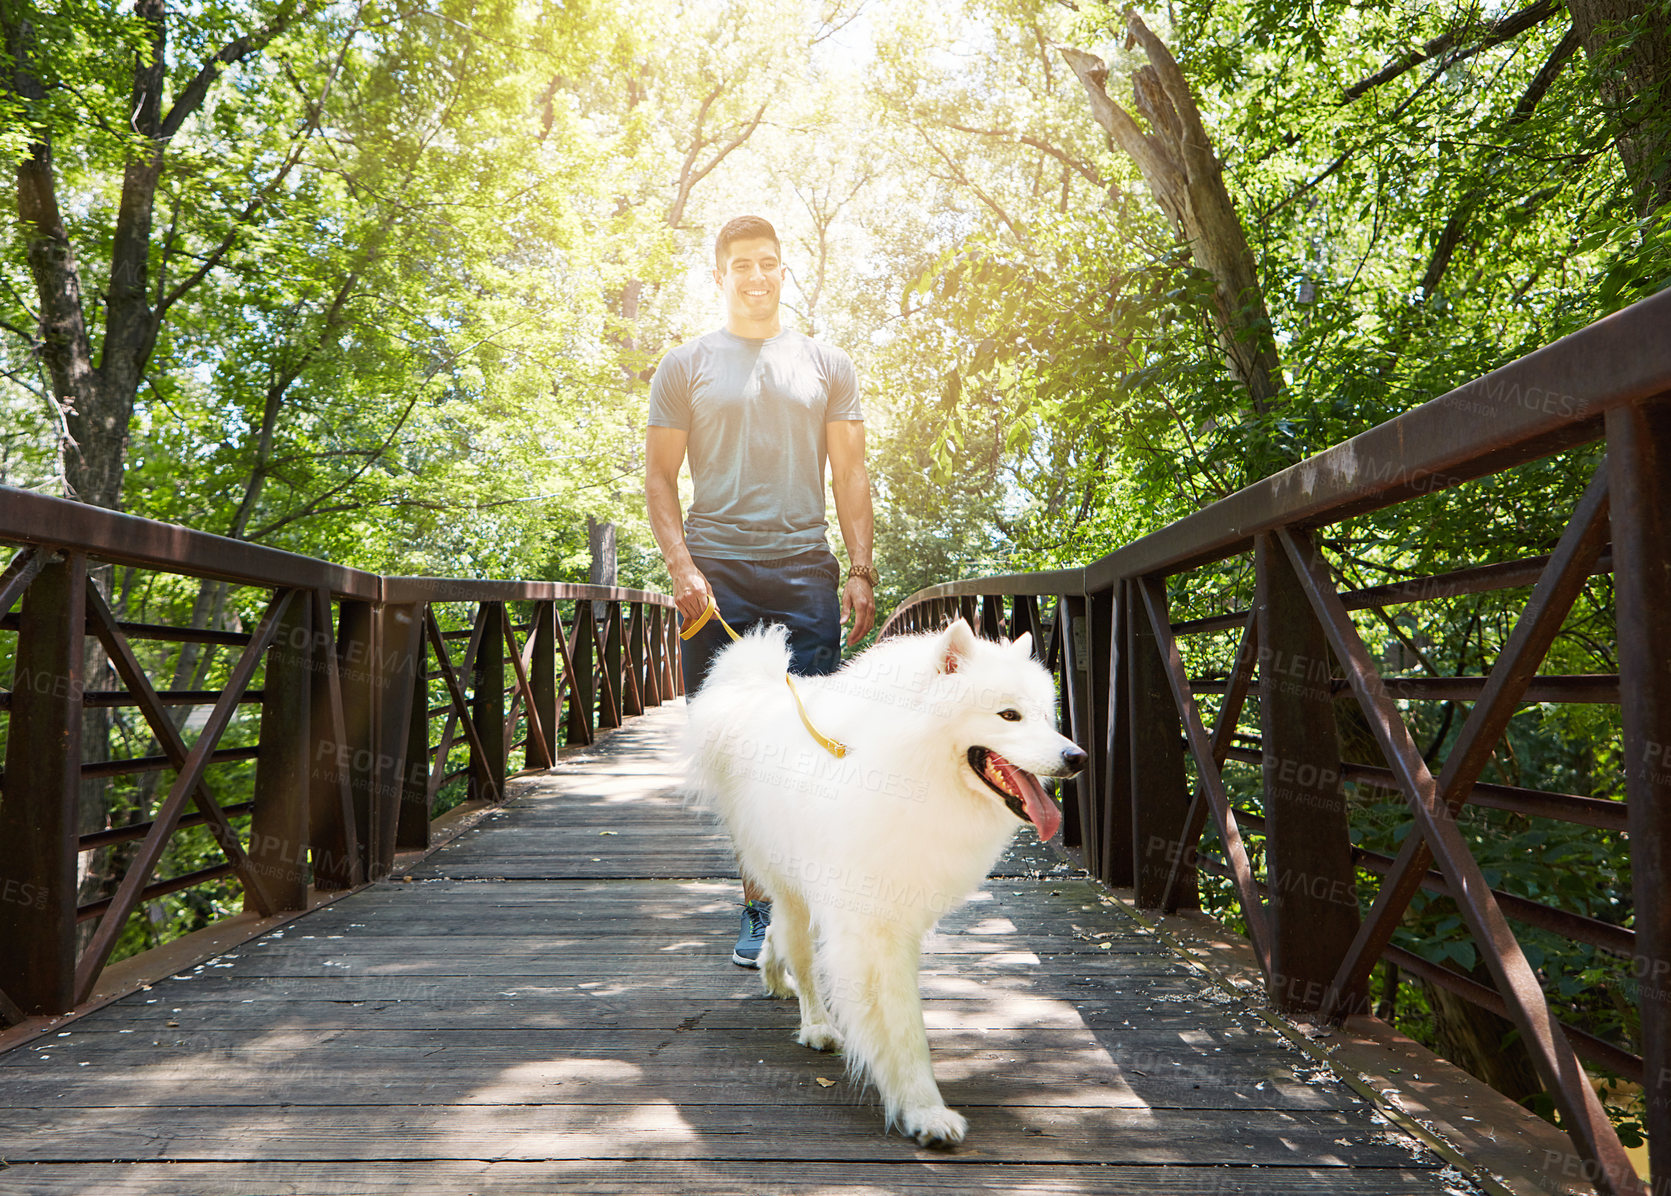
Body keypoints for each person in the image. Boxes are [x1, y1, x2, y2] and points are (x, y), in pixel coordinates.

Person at [645, 214, 876, 967]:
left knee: (809, 747)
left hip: (805, 571)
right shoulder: (685, 366)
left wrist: (862, 566)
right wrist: (682, 567)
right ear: (720, 275)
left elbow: (850, 475)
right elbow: (657, 478)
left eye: (768, 263)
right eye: (740, 264)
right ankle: (757, 908)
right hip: (717, 577)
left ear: (785, 271)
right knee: (744, 752)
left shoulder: (826, 363)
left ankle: (804, 911)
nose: (755, 276)